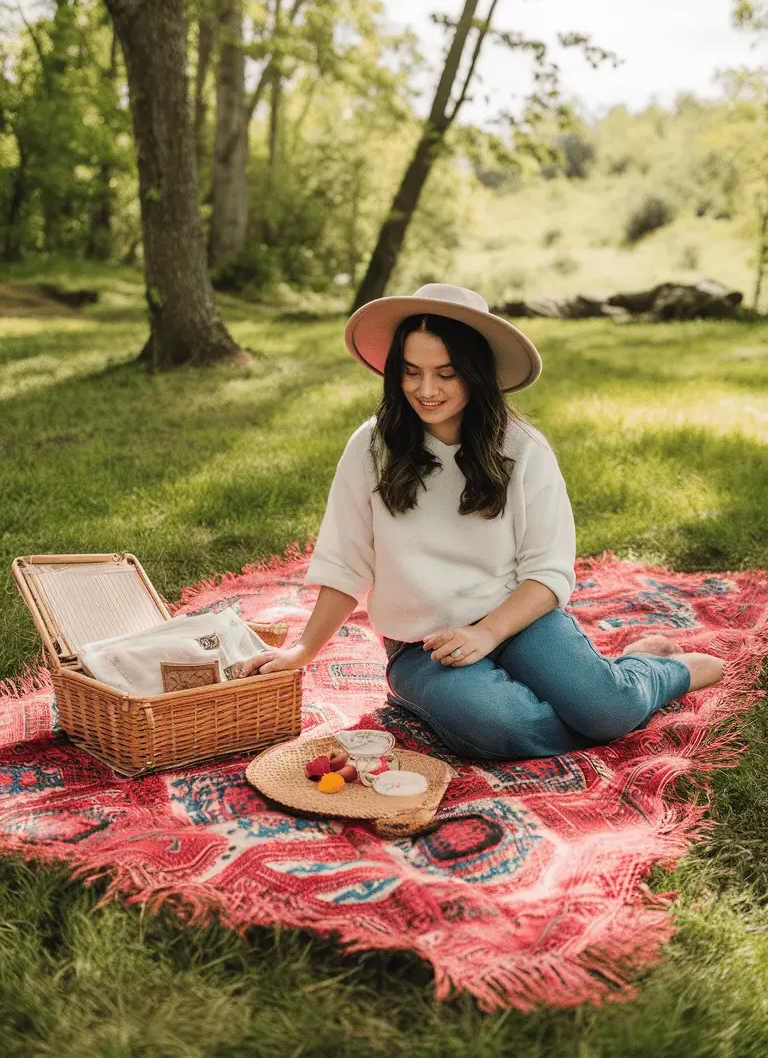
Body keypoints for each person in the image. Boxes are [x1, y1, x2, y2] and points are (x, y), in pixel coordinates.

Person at [240, 283, 724, 761]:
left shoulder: (523, 448)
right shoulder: (370, 448)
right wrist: (301, 650)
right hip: (421, 644)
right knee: (505, 729)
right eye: (411, 372)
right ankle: (600, 699)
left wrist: (489, 632)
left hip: (518, 620)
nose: (426, 391)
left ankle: (653, 671)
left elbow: (548, 572)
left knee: (606, 710)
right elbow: (346, 564)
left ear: (477, 372)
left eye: (446, 373)